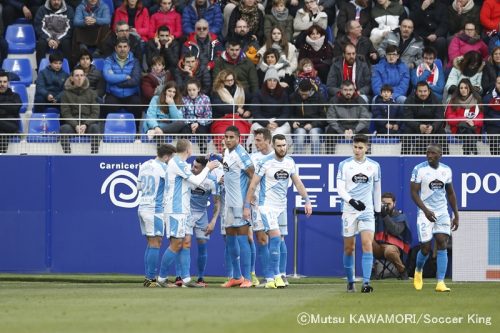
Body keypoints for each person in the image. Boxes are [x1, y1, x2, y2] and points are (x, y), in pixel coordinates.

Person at [243, 134, 313, 288]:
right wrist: (247, 206)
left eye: (284, 145)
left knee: (280, 240)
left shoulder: (290, 162)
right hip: (266, 206)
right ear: (273, 146)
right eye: (279, 145)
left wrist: (307, 201)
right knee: (274, 237)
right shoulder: (264, 162)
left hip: (282, 206)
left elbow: (298, 183)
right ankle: (275, 276)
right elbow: (253, 185)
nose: (282, 148)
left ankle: (276, 276)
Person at [157, 139, 219, 287]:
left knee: (180, 243)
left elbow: (194, 183)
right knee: (176, 243)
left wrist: (217, 178)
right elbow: (197, 181)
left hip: (181, 210)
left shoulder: (180, 164)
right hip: (175, 209)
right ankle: (161, 278)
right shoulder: (177, 162)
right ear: (188, 150)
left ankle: (185, 279)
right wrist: (208, 168)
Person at [410, 143, 459, 292]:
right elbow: (413, 192)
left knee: (442, 242)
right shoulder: (419, 169)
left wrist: (456, 215)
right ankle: (418, 270)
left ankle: (441, 282)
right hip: (425, 212)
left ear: (440, 155)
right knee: (425, 248)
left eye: (433, 153)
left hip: (442, 212)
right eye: (428, 153)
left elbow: (450, 193)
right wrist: (425, 210)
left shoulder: (446, 170)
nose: (429, 156)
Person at [337, 134, 381, 293]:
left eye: (360, 147)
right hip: (349, 210)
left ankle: (366, 283)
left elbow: (377, 189)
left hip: (367, 211)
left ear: (366, 148)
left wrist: (378, 211)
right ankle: (350, 281)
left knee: (367, 244)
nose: (357, 150)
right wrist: (352, 201)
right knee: (349, 248)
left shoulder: (374, 166)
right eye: (355, 147)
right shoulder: (344, 165)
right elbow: (340, 188)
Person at [174, 156, 221, 287]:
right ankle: (181, 277)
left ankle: (200, 278)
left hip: (202, 215)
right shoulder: (187, 175)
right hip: (187, 213)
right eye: (193, 166)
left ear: (204, 169)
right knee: (185, 243)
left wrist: (213, 222)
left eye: (196, 167)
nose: (193, 169)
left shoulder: (211, 181)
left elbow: (217, 203)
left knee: (202, 245)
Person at [137, 143, 177, 287]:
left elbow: (139, 187)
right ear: (166, 156)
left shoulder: (144, 164)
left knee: (151, 242)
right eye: (171, 158)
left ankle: (149, 278)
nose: (171, 161)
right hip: (155, 209)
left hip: (142, 206)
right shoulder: (164, 168)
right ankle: (151, 278)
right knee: (156, 243)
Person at [221, 126, 255, 288]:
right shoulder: (226, 152)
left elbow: (253, 175)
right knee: (229, 240)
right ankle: (236, 276)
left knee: (243, 239)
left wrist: (247, 203)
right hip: (228, 203)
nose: (228, 140)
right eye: (226, 137)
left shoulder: (242, 154)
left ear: (238, 139)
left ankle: (247, 278)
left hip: (240, 203)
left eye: (231, 137)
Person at [246, 127, 274, 287]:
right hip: (257, 205)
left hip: (274, 205)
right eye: (255, 140)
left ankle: (280, 275)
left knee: (277, 238)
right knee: (261, 239)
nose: (255, 143)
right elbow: (249, 180)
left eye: (259, 140)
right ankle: (268, 276)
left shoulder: (278, 158)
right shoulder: (253, 158)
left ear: (268, 141)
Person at [102, 38, 142, 132]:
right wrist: (125, 76)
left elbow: (135, 80)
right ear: (115, 48)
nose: (122, 49)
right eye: (120, 47)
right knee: (107, 106)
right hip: (113, 94)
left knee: (137, 105)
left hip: (131, 95)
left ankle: (136, 132)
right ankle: (109, 131)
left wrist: (116, 81)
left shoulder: (135, 61)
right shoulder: (109, 60)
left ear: (129, 48)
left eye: (125, 47)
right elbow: (108, 77)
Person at [60, 68, 101, 154]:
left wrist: (86, 124)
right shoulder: (65, 94)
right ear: (71, 78)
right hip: (73, 125)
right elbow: (65, 113)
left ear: (85, 77)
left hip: (87, 124)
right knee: (64, 128)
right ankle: (67, 156)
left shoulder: (92, 93)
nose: (79, 78)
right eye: (77, 75)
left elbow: (95, 113)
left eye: (82, 75)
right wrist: (76, 125)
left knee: (96, 128)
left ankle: (94, 154)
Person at [210, 70, 252, 153]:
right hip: (222, 119)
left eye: (232, 80)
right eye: (227, 80)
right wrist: (236, 108)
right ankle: (224, 154)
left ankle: (237, 153)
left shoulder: (241, 89)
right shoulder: (216, 91)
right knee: (222, 134)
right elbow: (219, 106)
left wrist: (249, 110)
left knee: (239, 133)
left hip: (238, 119)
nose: (230, 82)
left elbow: (251, 100)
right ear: (222, 80)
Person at [401, 81, 447, 155]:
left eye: (425, 91)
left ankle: (446, 157)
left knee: (442, 132)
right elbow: (407, 118)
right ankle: (404, 156)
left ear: (429, 91)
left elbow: (440, 117)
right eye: (420, 91)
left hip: (431, 126)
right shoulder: (409, 100)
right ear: (416, 92)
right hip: (415, 127)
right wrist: (418, 126)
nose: (423, 93)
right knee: (407, 132)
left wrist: (433, 127)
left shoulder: (436, 100)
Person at [373, 192, 412, 280]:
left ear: (394, 203)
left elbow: (396, 231)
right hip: (378, 246)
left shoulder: (401, 216)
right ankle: (371, 271)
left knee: (389, 250)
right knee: (367, 240)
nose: (386, 206)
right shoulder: (376, 215)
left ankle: (402, 271)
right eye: (383, 204)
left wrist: (385, 216)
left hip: (394, 247)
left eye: (389, 204)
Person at [325, 80, 371, 154]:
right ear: (341, 90)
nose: (348, 92)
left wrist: (354, 130)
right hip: (340, 127)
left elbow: (364, 119)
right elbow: (331, 119)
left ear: (354, 90)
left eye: (350, 90)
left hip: (356, 127)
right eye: (345, 90)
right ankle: (329, 157)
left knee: (366, 132)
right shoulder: (334, 100)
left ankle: (367, 158)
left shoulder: (360, 100)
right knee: (330, 131)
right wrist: (342, 131)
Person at [250, 68, 291, 146]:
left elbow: (286, 112)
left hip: (279, 122)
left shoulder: (283, 94)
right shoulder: (258, 94)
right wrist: (266, 123)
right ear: (266, 81)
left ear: (277, 82)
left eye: (274, 80)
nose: (272, 83)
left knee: (278, 134)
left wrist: (277, 123)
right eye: (269, 80)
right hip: (262, 122)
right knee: (261, 134)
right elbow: (256, 112)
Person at [445, 78, 484, 155]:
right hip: (458, 128)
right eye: (461, 88)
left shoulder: (477, 100)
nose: (463, 90)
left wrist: (473, 122)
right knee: (468, 131)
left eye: (466, 88)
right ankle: (474, 152)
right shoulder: (453, 100)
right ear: (458, 89)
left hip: (474, 127)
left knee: (469, 132)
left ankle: (466, 154)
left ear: (470, 88)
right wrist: (464, 119)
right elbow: (449, 118)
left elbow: (481, 116)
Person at [289, 79, 326, 154]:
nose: (303, 96)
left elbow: (324, 118)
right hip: (299, 126)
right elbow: (289, 114)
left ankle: (316, 160)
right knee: (300, 134)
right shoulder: (293, 97)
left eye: (305, 94)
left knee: (314, 134)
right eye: (301, 93)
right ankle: (297, 160)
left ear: (311, 90)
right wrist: (292, 122)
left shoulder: (319, 97)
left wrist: (312, 125)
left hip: (315, 126)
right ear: (299, 90)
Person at [34, 0, 74, 67]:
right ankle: (40, 70)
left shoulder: (69, 10)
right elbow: (38, 26)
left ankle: (68, 70)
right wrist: (48, 39)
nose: (56, 2)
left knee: (67, 43)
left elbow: (70, 29)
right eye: (54, 0)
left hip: (62, 38)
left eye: (58, 0)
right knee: (41, 44)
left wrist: (59, 40)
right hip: (46, 37)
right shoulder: (42, 9)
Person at [180, 79, 212, 154]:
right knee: (185, 131)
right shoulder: (184, 99)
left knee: (201, 131)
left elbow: (209, 116)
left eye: (194, 90)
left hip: (202, 123)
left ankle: (203, 154)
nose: (191, 92)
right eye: (189, 90)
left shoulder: (205, 98)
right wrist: (191, 124)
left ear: (198, 89)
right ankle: (184, 153)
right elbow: (182, 116)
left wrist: (198, 123)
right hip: (188, 123)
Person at [0, 72, 22, 154]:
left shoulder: (15, 96)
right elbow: (11, 108)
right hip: (4, 129)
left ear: (8, 83)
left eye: (4, 82)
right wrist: (6, 108)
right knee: (2, 134)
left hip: (11, 124)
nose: (2, 84)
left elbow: (16, 108)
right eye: (0, 82)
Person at [483, 75, 500, 155]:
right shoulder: (488, 98)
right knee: (494, 149)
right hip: (493, 126)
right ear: (495, 84)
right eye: (499, 83)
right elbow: (484, 114)